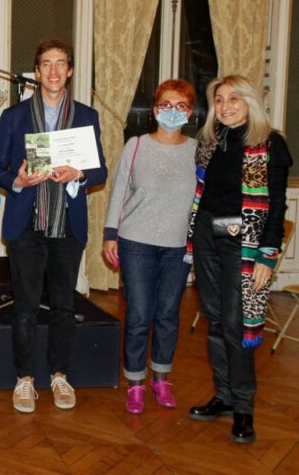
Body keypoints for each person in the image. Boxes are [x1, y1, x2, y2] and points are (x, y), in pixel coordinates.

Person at [0, 39, 107, 413]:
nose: (54, 71)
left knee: (62, 305)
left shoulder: (87, 116)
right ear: (36, 72)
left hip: (67, 224)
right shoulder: (13, 117)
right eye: (46, 64)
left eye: (61, 63)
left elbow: (100, 170)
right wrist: (18, 182)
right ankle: (24, 379)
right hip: (26, 221)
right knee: (25, 306)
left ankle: (59, 375)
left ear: (70, 70)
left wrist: (80, 173)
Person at [185, 75, 292, 444]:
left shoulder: (269, 144)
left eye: (234, 98)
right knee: (215, 319)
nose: (226, 105)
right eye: (219, 99)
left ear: (250, 102)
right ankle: (224, 396)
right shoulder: (209, 142)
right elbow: (202, 191)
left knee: (236, 324)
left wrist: (267, 254)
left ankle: (244, 408)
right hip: (207, 238)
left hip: (243, 245)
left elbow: (276, 205)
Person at [102, 79, 197, 414]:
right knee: (140, 314)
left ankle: (161, 377)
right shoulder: (137, 145)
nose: (173, 112)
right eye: (167, 105)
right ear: (156, 110)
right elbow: (119, 191)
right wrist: (110, 234)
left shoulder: (197, 150)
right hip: (136, 242)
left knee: (169, 314)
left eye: (181, 106)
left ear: (190, 112)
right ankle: (137, 382)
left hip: (178, 246)